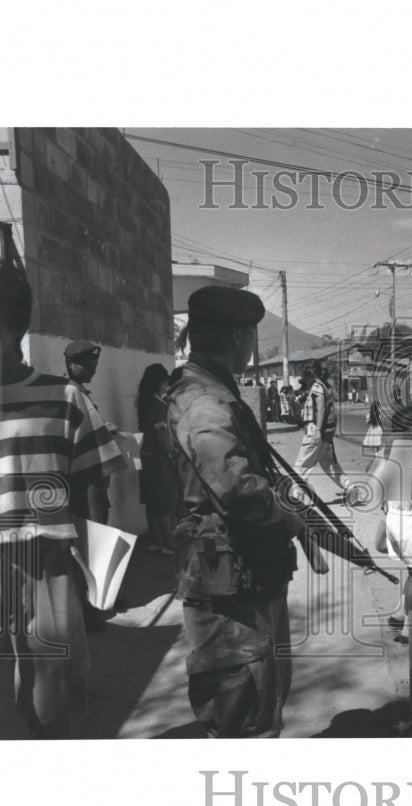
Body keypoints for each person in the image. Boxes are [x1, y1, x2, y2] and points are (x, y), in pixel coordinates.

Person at [0, 256, 125, 738]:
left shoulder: (64, 400)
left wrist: (101, 577)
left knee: (54, 693)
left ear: (16, 329)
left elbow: (91, 491)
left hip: (49, 563)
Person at [167, 285, 306, 738]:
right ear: (239, 335)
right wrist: (287, 516)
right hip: (230, 585)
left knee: (259, 702)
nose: (253, 347)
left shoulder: (211, 391)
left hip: (244, 575)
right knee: (244, 715)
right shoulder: (204, 401)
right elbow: (238, 491)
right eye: (252, 336)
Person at [63, 339, 127, 631]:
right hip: (84, 480)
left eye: (94, 365)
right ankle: (90, 611)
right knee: (92, 541)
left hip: (94, 479)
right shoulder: (71, 394)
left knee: (97, 537)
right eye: (86, 365)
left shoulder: (80, 393)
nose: (91, 370)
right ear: (71, 364)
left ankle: (100, 601)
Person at [371, 406, 412, 632]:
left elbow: (374, 476)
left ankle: (399, 615)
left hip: (393, 515)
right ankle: (410, 630)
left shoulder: (391, 449)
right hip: (409, 520)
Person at [292, 361, 351, 501]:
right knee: (329, 464)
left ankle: (295, 498)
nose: (303, 380)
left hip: (316, 430)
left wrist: (317, 431)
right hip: (325, 432)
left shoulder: (317, 386)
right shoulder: (325, 385)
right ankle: (350, 488)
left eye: (304, 377)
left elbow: (321, 409)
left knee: (301, 466)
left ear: (310, 375)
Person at [137, 363, 175, 557]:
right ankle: (168, 543)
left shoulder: (143, 402)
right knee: (163, 503)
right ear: (161, 383)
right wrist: (171, 453)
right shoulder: (158, 405)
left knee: (151, 502)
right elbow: (162, 437)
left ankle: (155, 541)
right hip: (159, 460)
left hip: (145, 457)